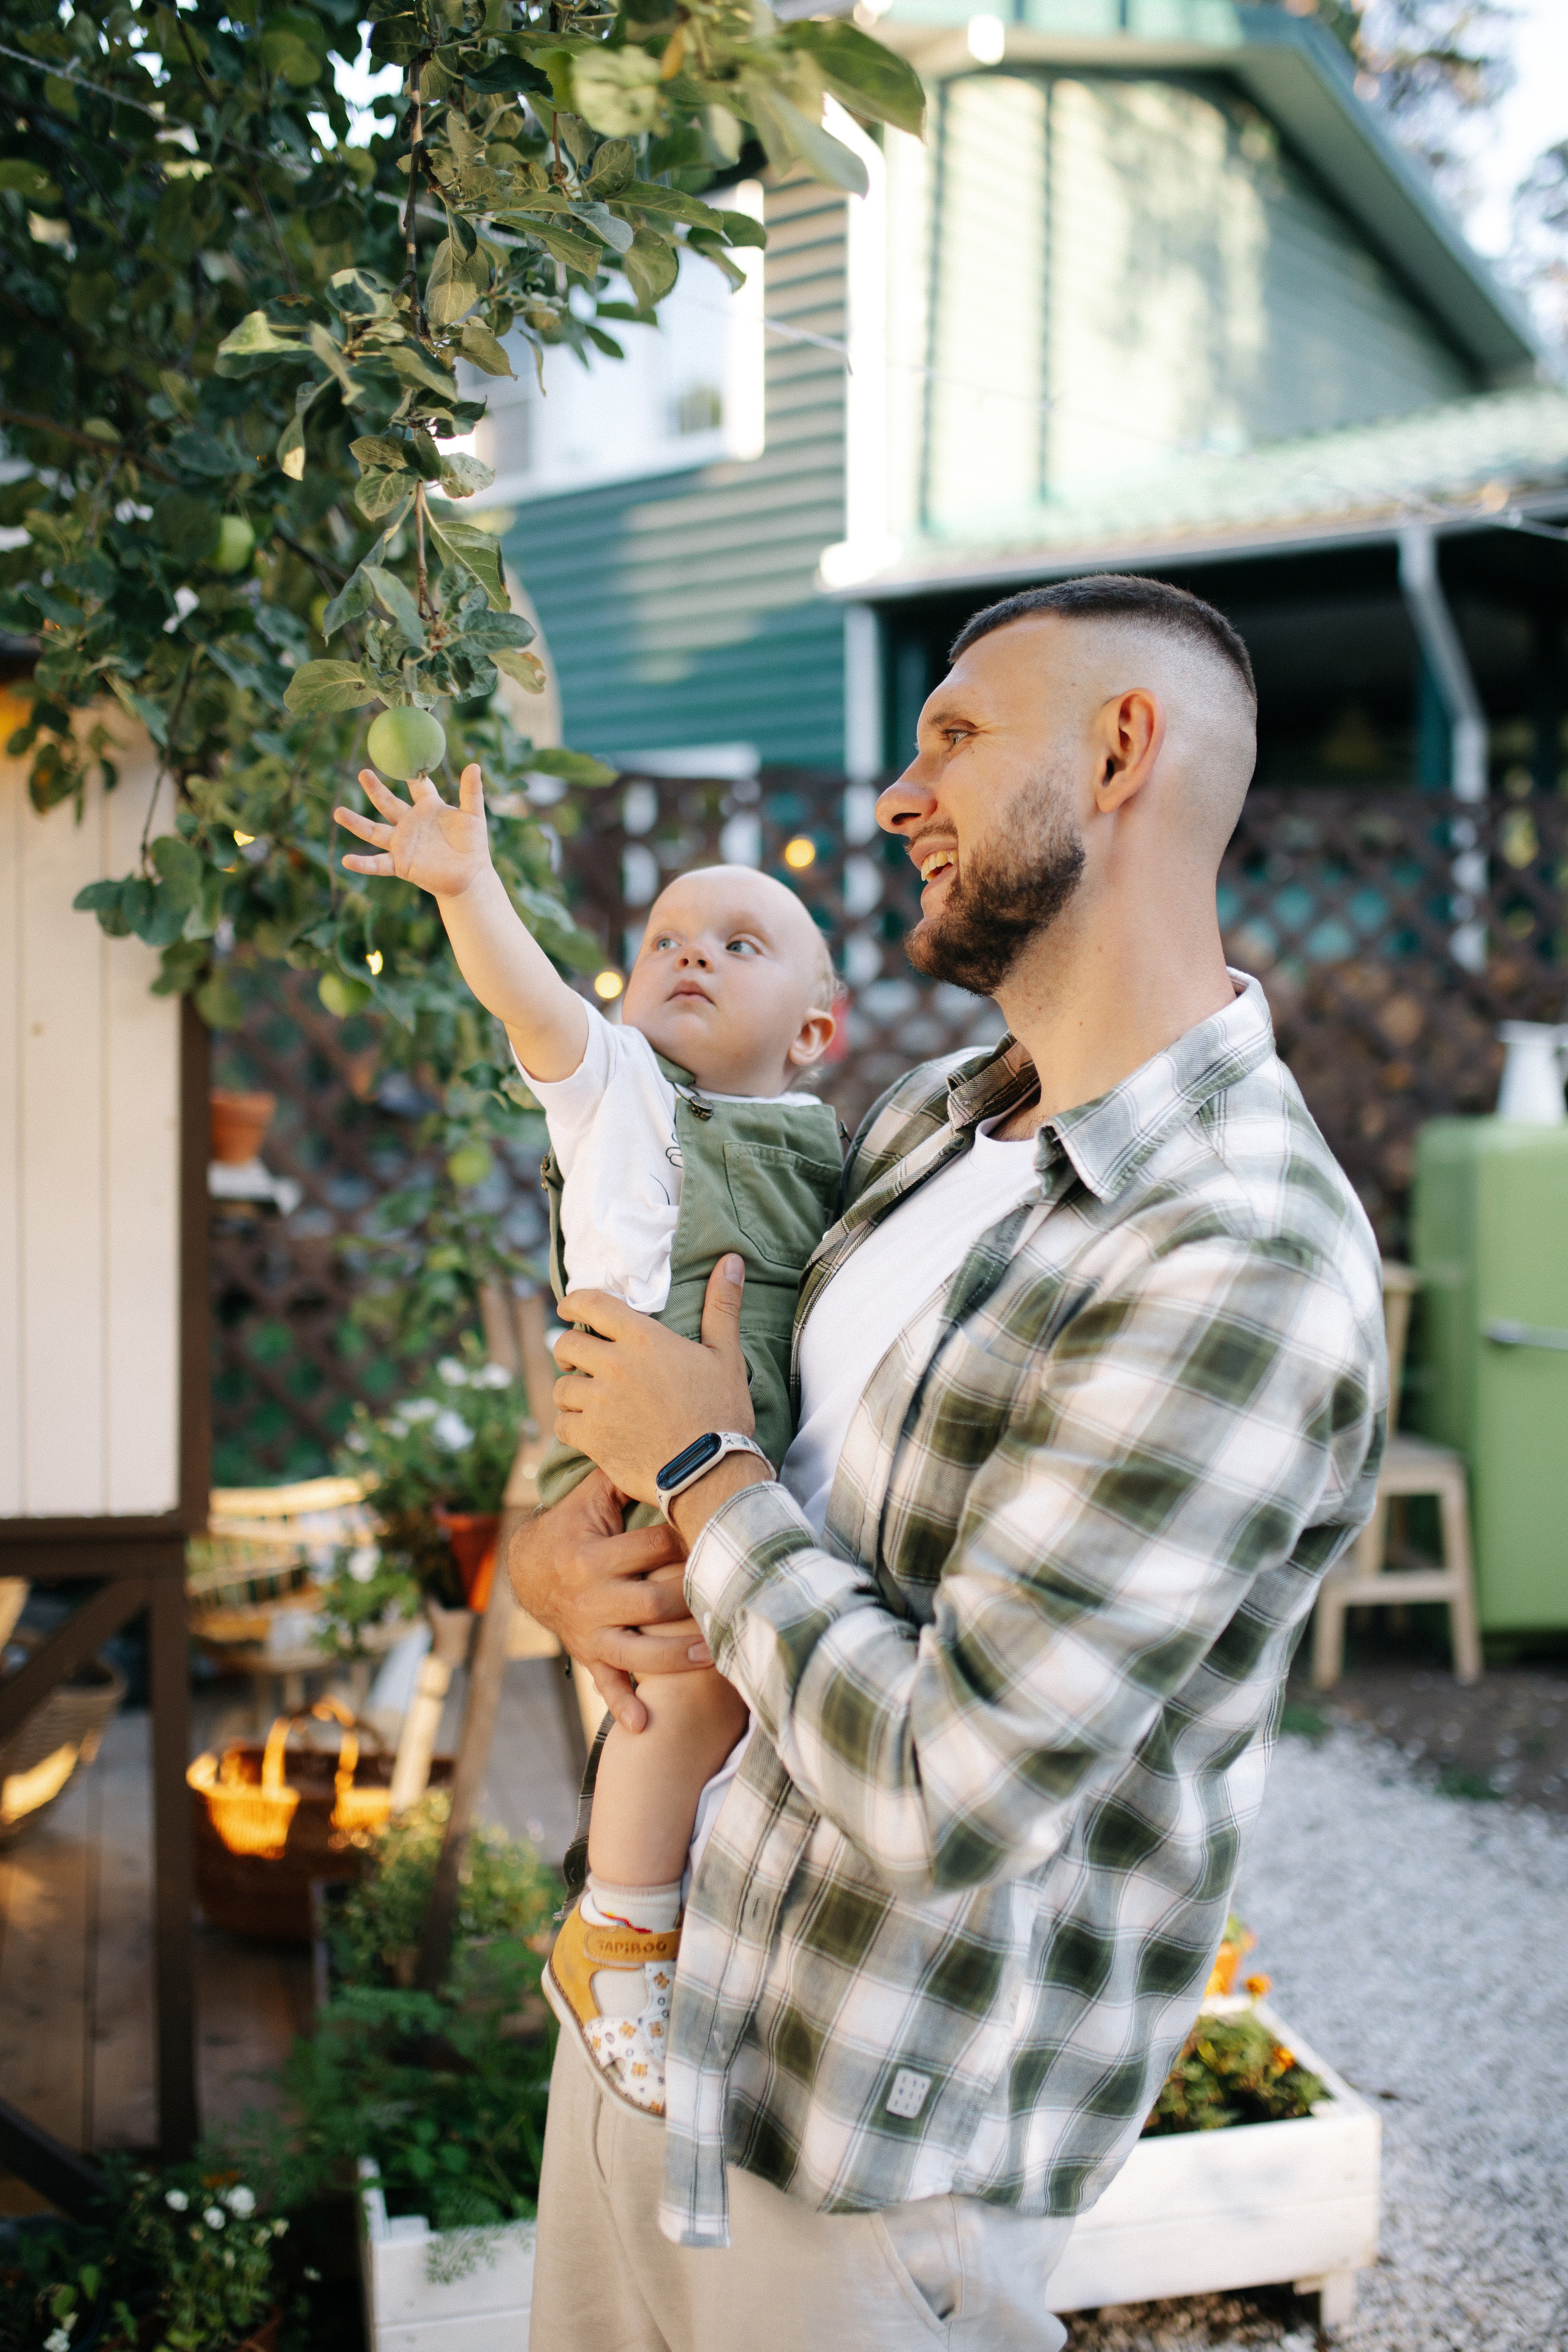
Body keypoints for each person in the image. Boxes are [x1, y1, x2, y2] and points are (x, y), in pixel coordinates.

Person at [510, 573, 1388, 2352]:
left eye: (956, 741)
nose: (900, 799)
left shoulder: (1238, 1254)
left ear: (1122, 752)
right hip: (654, 2011)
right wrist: (558, 1554)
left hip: (854, 2180)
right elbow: (756, 1452)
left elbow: (947, 1791)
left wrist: (694, 1465)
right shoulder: (930, 1120)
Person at [333, 774, 842, 2112]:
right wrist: (466, 889)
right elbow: (532, 1005)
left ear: (813, 1031)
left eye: (740, 944)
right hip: (647, 1450)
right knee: (683, 1685)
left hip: (750, 1465)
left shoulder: (832, 1143)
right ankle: (617, 1930)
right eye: (667, 941)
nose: (691, 955)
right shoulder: (618, 1092)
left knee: (726, 1694)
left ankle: (667, 1916)